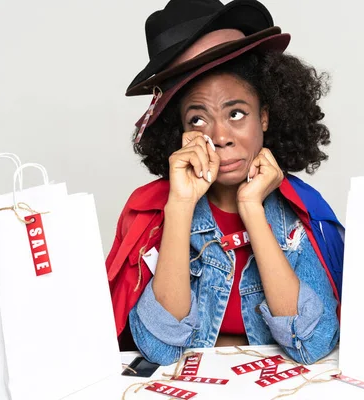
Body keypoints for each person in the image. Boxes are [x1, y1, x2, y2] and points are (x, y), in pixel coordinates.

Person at [106, 0, 345, 366]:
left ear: (264, 116)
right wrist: (181, 206)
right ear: (180, 132)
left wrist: (252, 210)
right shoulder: (155, 214)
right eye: (198, 120)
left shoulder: (300, 213)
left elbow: (311, 344)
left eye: (236, 114)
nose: (220, 136)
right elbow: (160, 348)